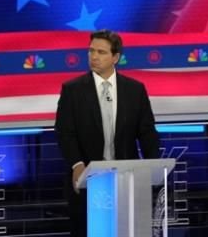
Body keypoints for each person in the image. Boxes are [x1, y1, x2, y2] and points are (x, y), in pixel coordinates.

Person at [54, 30, 160, 237]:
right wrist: (77, 165)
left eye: (101, 52)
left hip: (126, 180)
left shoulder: (134, 90)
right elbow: (65, 132)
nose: (94, 56)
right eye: (91, 51)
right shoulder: (72, 90)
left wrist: (152, 168)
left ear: (116, 57)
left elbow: (147, 132)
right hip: (88, 181)